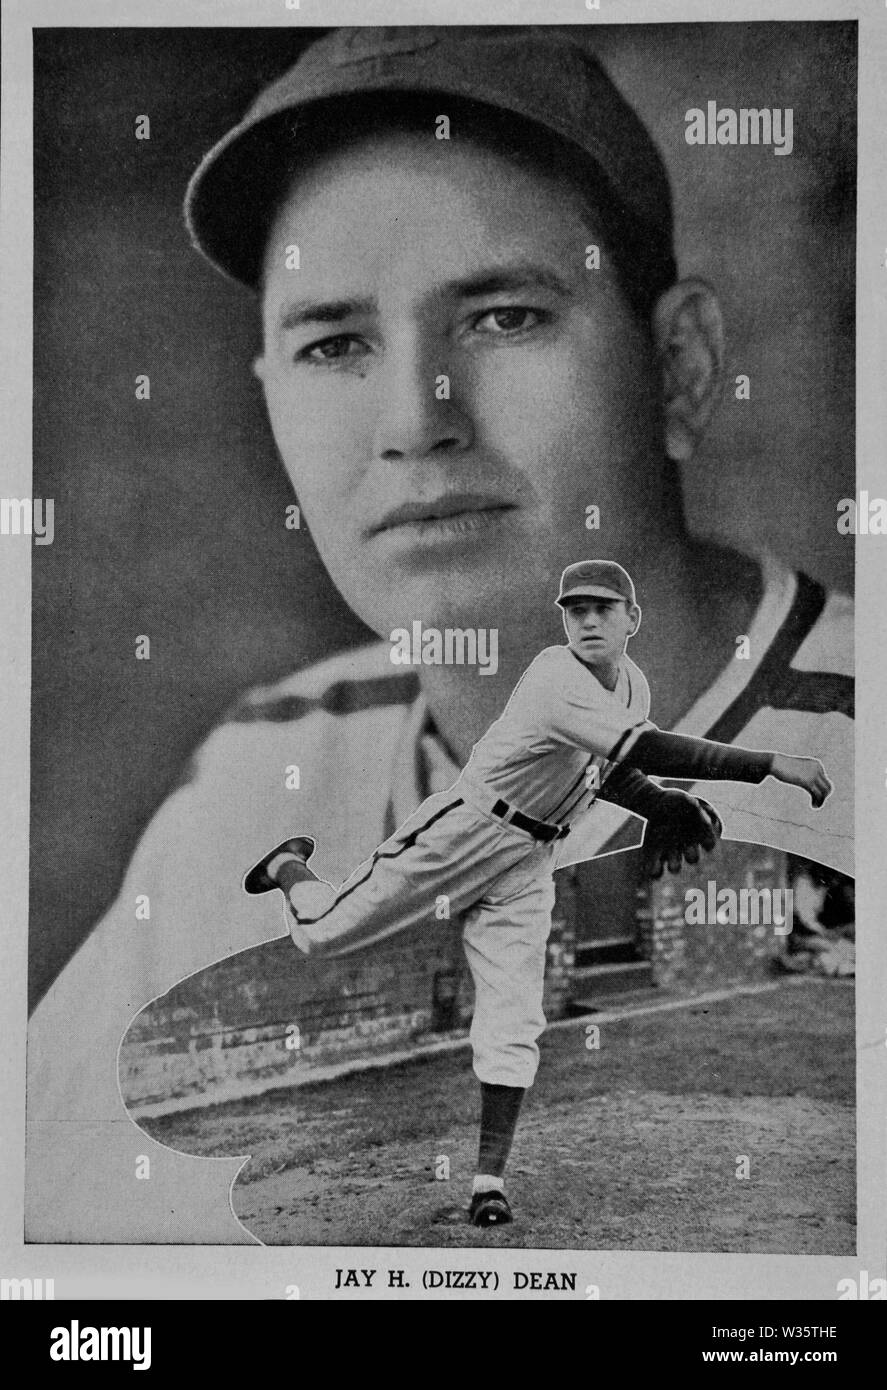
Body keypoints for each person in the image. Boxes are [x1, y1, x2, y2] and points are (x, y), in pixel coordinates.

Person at [26, 26, 853, 1242]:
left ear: (678, 366)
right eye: (333, 344)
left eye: (504, 317)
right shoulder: (262, 764)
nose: (416, 418)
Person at [242, 558, 831, 1225]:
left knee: (514, 1021)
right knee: (322, 934)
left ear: (632, 619)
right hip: (466, 830)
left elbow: (604, 769)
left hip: (530, 856)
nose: (587, 621)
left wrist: (658, 804)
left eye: (602, 608)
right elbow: (648, 751)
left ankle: (487, 1183)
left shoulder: (631, 686)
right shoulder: (555, 676)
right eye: (575, 609)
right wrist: (768, 763)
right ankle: (289, 866)